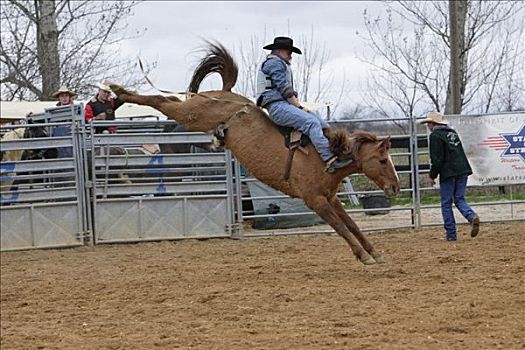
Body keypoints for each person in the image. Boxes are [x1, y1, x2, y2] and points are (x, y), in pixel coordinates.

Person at [255, 36, 352, 171]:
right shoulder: (274, 64)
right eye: (289, 53)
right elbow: (284, 88)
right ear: (280, 51)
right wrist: (298, 106)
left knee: (323, 125)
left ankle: (336, 153)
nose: (291, 57)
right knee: (312, 123)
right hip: (277, 107)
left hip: (284, 106)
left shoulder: (278, 63)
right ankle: (330, 159)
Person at [420, 111, 480, 241]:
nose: (428, 126)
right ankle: (471, 216)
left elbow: (437, 159)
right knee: (459, 199)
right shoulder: (452, 132)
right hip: (462, 169)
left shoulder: (435, 136)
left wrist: (432, 175)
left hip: (448, 172)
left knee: (446, 203)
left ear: (432, 123)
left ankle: (451, 235)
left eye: (428, 123)